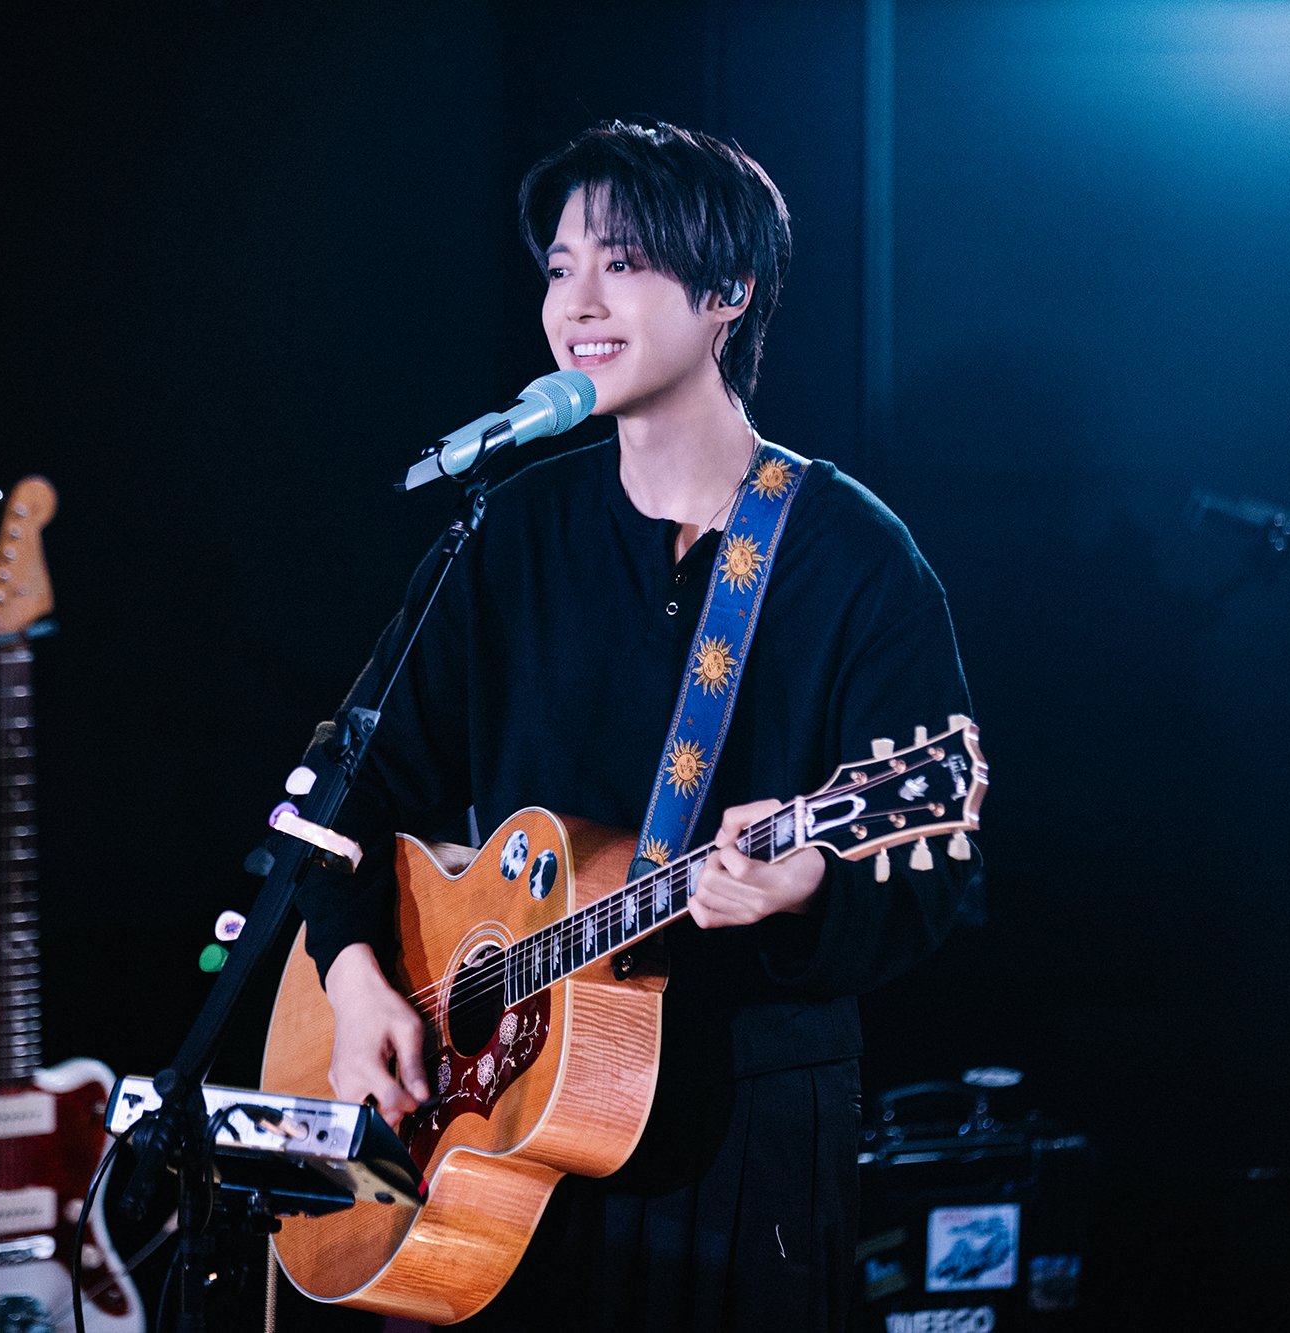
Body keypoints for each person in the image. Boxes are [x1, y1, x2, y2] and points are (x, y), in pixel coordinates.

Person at [292, 117, 976, 1331]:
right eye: (561, 266)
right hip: (493, 1138)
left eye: (623, 262)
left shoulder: (854, 560)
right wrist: (353, 984)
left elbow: (935, 875)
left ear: (727, 293)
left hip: (740, 1135)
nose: (578, 302)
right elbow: (346, 785)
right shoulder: (509, 531)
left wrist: (806, 886)